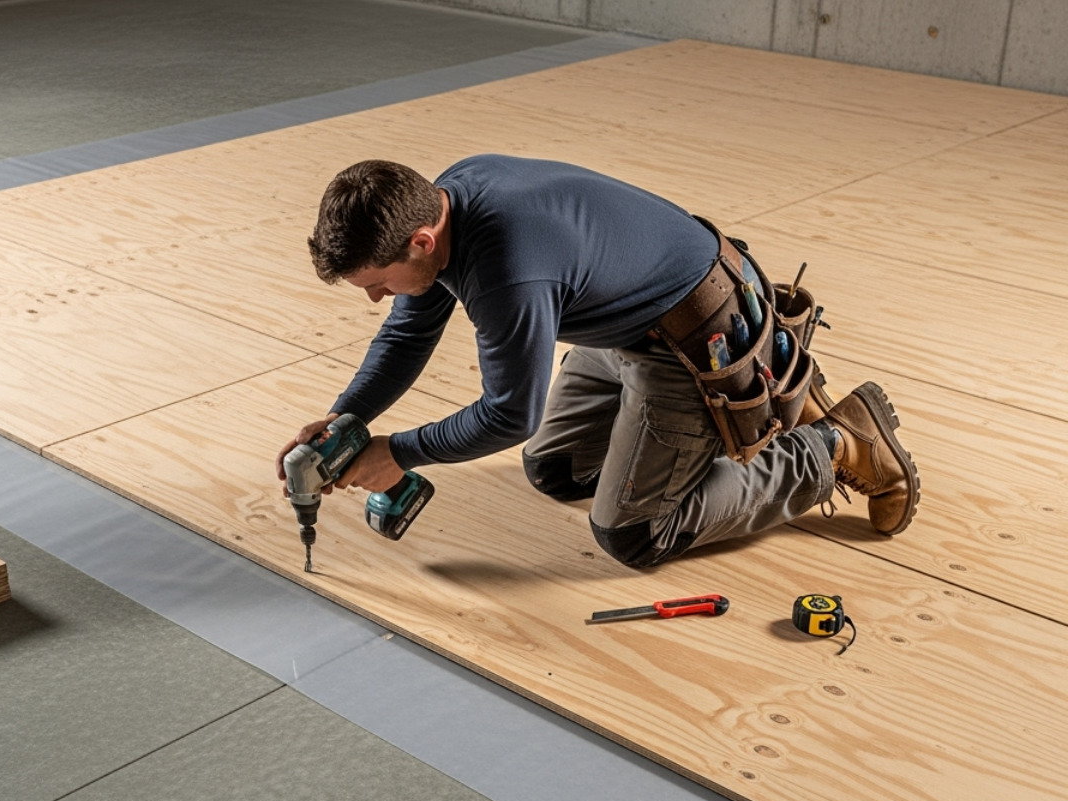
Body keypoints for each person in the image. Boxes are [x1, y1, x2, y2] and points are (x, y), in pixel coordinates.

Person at [274, 155, 920, 568]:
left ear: (419, 240)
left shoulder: (507, 271)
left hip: (693, 341)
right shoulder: (449, 197)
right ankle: (739, 421)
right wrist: (347, 418)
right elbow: (406, 336)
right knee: (557, 471)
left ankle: (830, 445)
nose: (375, 296)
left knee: (634, 533)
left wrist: (401, 452)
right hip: (634, 323)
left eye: (378, 280)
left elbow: (509, 413)